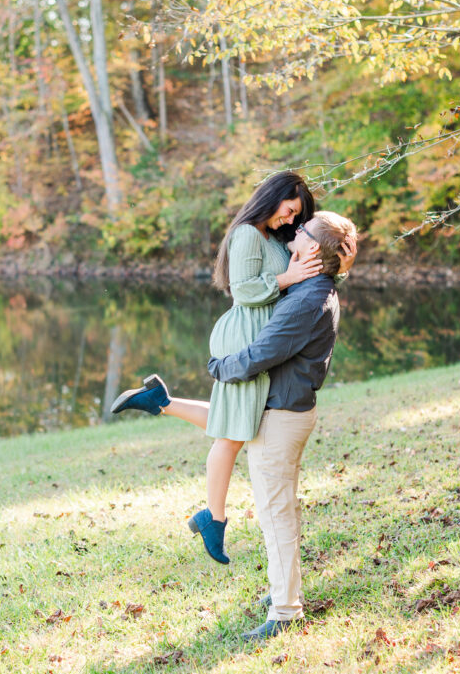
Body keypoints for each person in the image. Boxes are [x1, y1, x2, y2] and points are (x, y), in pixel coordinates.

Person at [112, 211, 358, 641]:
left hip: (282, 415)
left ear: (313, 248)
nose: (292, 235)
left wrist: (221, 366)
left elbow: (264, 351)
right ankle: (283, 590)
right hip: (280, 408)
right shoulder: (311, 288)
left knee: (276, 513)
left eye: (300, 232)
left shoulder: (307, 299)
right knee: (278, 509)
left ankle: (285, 612)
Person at [112, 171, 321, 565]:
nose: (291, 219)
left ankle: (161, 401)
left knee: (237, 421)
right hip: (244, 335)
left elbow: (298, 261)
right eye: (290, 210)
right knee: (232, 435)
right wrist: (290, 276)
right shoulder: (246, 234)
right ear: (273, 197)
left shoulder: (274, 236)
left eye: (297, 215)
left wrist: (303, 260)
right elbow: (244, 290)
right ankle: (214, 517)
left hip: (260, 338)